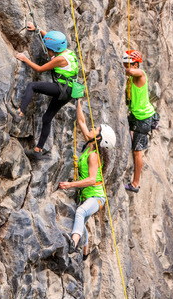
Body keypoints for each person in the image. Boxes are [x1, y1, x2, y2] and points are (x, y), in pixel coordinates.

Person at [10, 22, 79, 160]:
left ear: (54, 49)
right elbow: (52, 40)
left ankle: (19, 112)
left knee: (32, 86)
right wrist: (38, 30)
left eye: (48, 49)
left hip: (61, 89)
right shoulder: (68, 52)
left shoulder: (59, 59)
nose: (47, 51)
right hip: (70, 91)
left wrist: (25, 59)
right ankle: (37, 150)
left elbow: (40, 69)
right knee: (47, 118)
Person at [59, 100, 116, 260]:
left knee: (81, 212)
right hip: (89, 195)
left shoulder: (93, 156)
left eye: (96, 129)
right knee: (81, 222)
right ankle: (85, 253)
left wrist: (70, 184)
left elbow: (92, 180)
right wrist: (77, 101)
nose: (92, 128)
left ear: (99, 138)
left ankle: (73, 242)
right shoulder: (90, 144)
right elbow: (81, 121)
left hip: (96, 197)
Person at [123, 50, 157, 193]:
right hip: (136, 115)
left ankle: (135, 184)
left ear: (136, 64)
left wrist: (126, 68)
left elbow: (134, 72)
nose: (126, 66)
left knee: (138, 151)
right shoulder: (132, 76)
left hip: (143, 117)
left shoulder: (140, 75)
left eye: (128, 64)